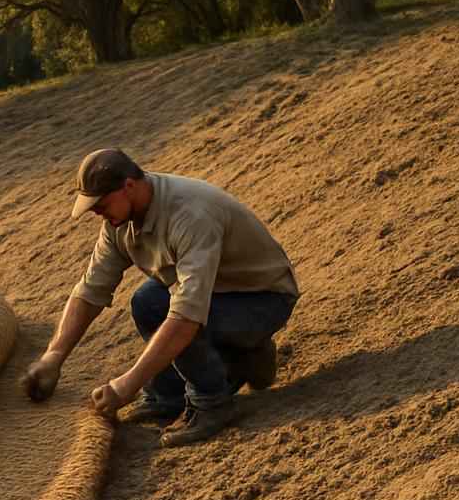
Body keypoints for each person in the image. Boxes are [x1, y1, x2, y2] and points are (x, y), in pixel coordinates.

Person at [21, 148, 299, 447]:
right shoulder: (118, 224)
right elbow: (91, 291)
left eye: (100, 204)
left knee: (176, 313)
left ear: (129, 186)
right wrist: (54, 355)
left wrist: (128, 384)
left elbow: (186, 316)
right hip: (217, 291)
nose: (96, 213)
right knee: (146, 301)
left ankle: (212, 402)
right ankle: (171, 393)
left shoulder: (189, 215)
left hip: (262, 298)